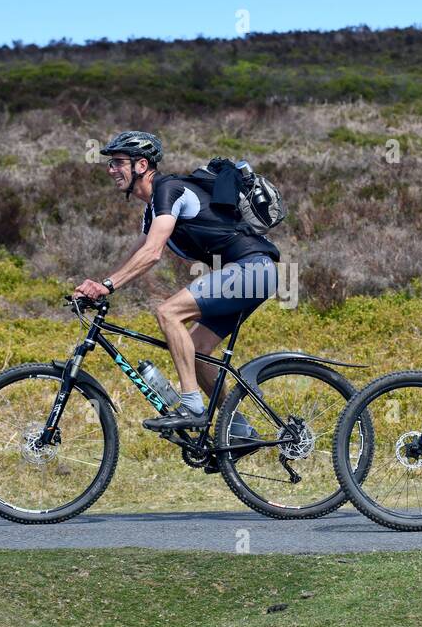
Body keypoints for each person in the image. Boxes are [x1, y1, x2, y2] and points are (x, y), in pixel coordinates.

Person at [73, 131, 279, 434]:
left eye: (118, 163)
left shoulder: (168, 190)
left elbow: (153, 253)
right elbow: (138, 253)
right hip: (247, 273)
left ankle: (192, 405)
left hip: (253, 269)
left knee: (169, 312)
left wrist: (108, 285)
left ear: (141, 165)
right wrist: (100, 286)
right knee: (196, 352)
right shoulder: (154, 208)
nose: (111, 170)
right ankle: (238, 432)